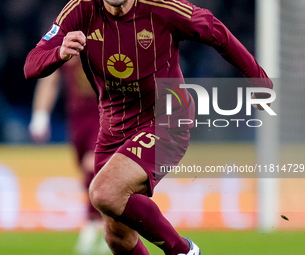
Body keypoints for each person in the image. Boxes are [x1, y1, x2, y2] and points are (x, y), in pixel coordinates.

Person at [24, 0, 273, 254]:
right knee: (117, 237)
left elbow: (215, 31)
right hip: (112, 130)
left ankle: (184, 251)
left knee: (104, 192)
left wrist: (259, 79)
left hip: (167, 120)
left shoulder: (162, 7)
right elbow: (31, 65)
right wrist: (59, 53)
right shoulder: (80, 10)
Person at [29, 57, 109, 254]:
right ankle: (111, 223)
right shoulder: (69, 41)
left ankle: (95, 224)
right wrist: (40, 115)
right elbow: (50, 77)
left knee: (94, 166)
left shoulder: (110, 37)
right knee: (86, 171)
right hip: (77, 118)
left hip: (106, 113)